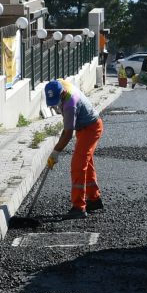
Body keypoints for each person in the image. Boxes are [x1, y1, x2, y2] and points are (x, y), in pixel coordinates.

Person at [45, 79, 104, 219]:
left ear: (62, 94)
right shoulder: (59, 84)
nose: (55, 107)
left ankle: (79, 207)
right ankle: (94, 199)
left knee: (78, 165)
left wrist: (55, 152)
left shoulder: (70, 104)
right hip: (84, 128)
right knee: (86, 164)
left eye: (55, 102)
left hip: (91, 128)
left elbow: (68, 133)